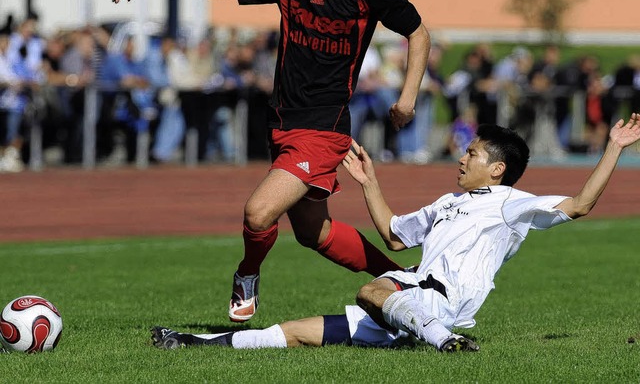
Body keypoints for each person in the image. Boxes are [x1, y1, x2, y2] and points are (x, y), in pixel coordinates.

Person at [111, 0, 430, 323]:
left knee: (258, 212)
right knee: (314, 233)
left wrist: (407, 97)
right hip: (281, 124)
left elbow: (418, 32)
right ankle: (404, 283)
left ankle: (247, 274)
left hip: (323, 128)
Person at [150, 113, 640, 352]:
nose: (462, 157)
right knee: (299, 333)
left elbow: (580, 205)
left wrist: (615, 147)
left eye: (472, 153)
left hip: (439, 301)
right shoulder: (449, 202)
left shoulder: (512, 205)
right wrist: (370, 183)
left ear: (497, 169)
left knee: (371, 287)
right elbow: (394, 236)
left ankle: (440, 339)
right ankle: (192, 342)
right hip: (410, 299)